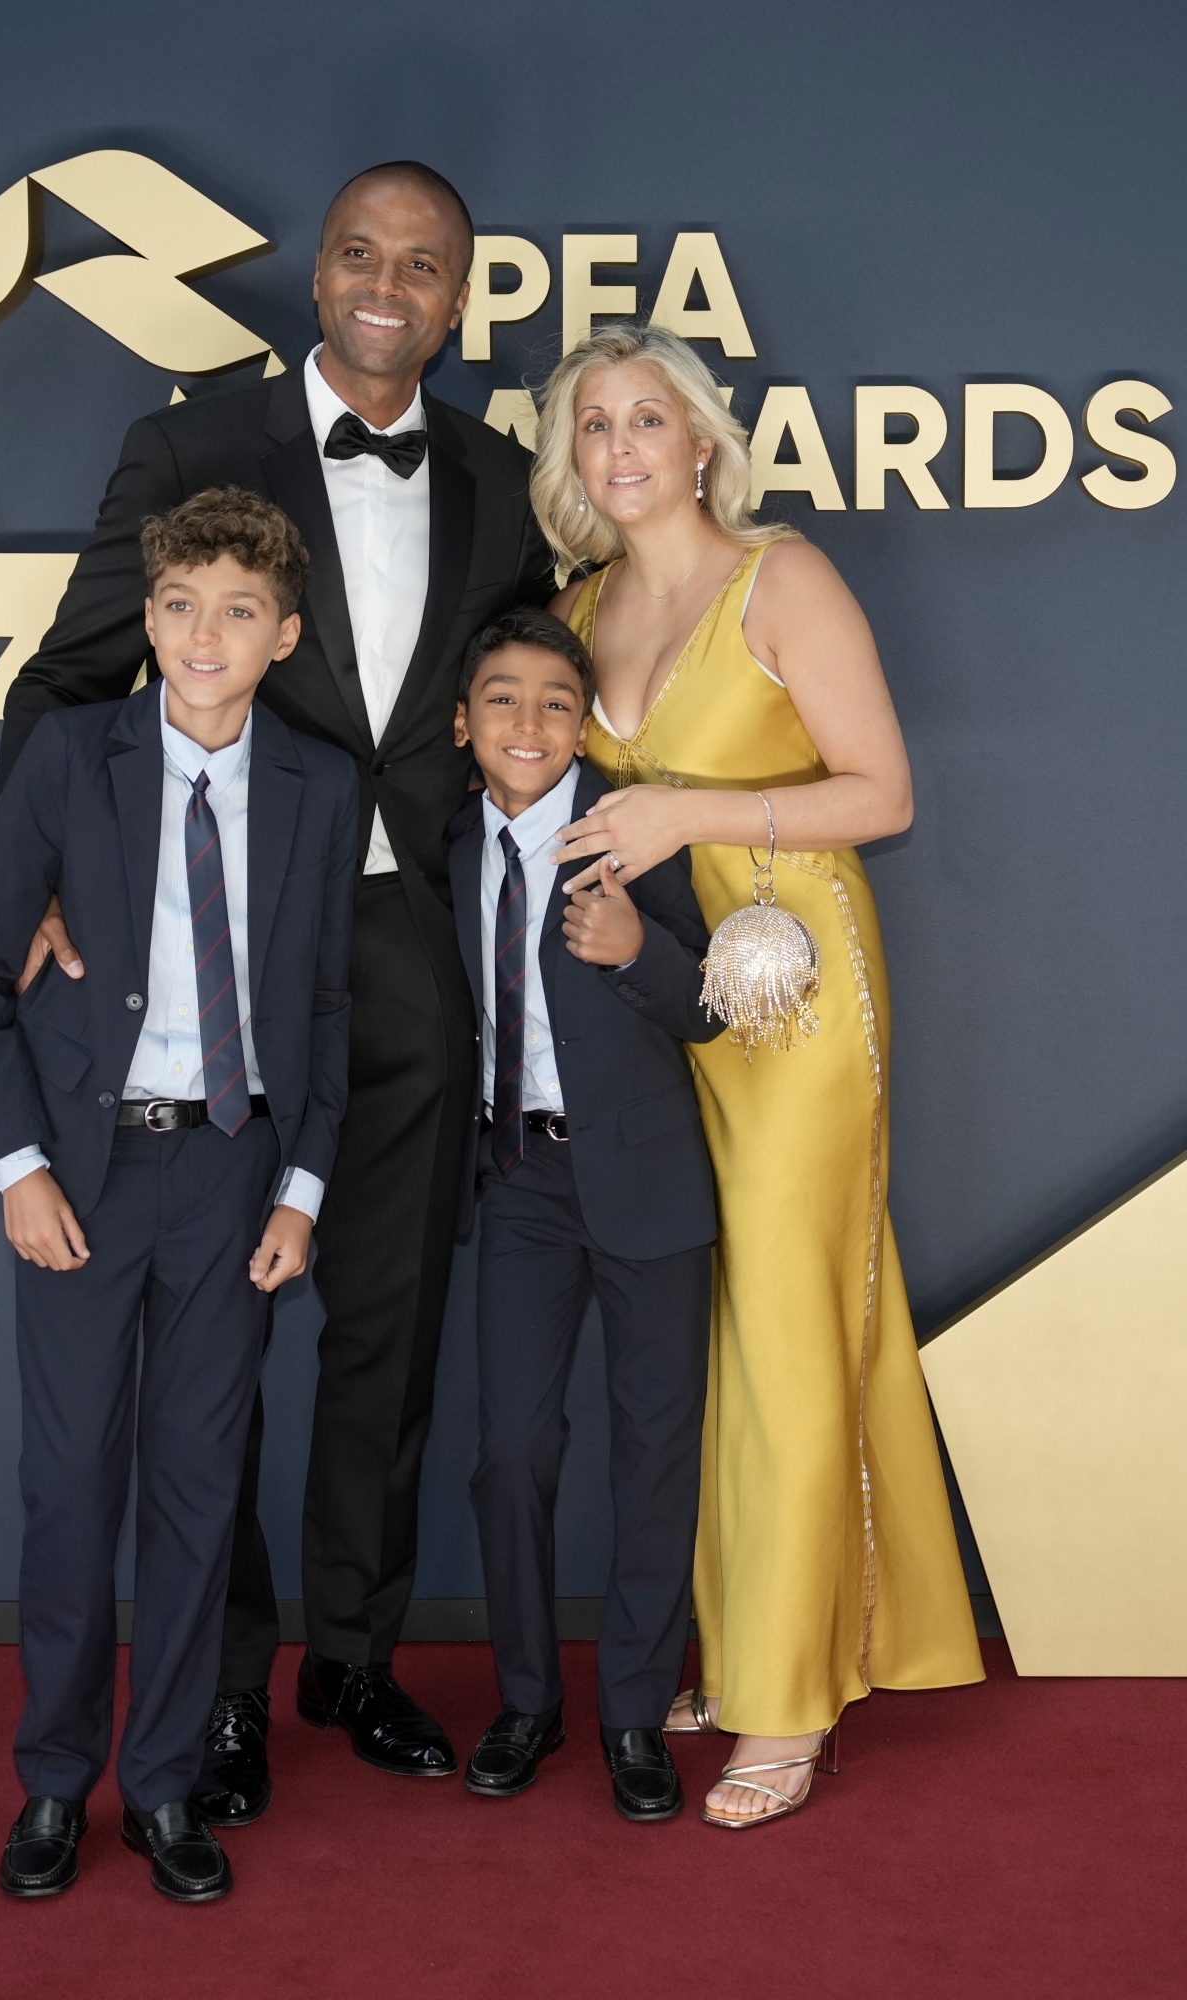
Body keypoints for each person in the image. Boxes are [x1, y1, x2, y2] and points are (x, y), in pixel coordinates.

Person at [0, 160, 554, 1811]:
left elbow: (536, 700)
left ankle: (356, 1663)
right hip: (227, 959)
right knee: (211, 1345)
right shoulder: (194, 447)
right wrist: (35, 878)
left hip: (410, 956)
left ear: (460, 301)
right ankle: (217, 1688)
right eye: (362, 254)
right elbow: (70, 673)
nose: (391, 283)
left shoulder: (505, 481)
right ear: (319, 275)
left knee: (384, 1327)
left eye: (426, 264)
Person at [537, 323, 983, 1829]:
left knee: (790, 1325)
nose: (620, 446)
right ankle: (748, 1648)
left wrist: (682, 808)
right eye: (592, 424)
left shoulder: (780, 579)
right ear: (571, 457)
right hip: (662, 1003)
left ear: (703, 438)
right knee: (710, 1330)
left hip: (793, 997)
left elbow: (887, 790)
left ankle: (789, 1712)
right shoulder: (578, 603)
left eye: (645, 416)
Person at [0, 490, 356, 1901]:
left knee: (198, 1488)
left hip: (234, 1172)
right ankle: (56, 1783)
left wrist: (300, 1189)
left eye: (239, 611)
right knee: (69, 1490)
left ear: (283, 635)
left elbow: (323, 1006)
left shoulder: (319, 784)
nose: (203, 634)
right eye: (179, 605)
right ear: (148, 614)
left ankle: (168, 1782)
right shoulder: (70, 758)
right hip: (86, 1172)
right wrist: (17, 1168)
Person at [446, 608, 723, 1822]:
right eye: (501, 699)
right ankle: (525, 1698)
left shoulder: (631, 830)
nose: (527, 723)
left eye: (556, 702)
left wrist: (632, 950)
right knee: (511, 1449)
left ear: (585, 721)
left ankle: (632, 1711)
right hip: (520, 1186)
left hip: (648, 1181)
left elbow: (711, 998)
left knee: (655, 1449)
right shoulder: (442, 843)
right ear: (463, 722)